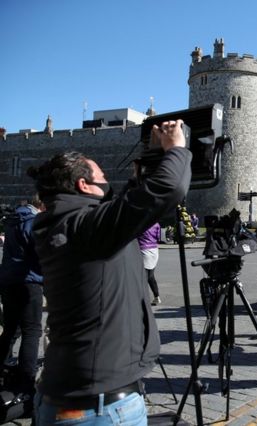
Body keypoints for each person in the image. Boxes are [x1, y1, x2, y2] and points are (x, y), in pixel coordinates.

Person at [28, 119, 191, 425]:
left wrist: (145, 169)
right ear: (83, 185)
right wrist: (177, 150)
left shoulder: (63, 224)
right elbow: (169, 189)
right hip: (100, 408)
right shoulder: (85, 227)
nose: (108, 184)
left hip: (67, 395)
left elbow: (124, 211)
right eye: (102, 177)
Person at [0, 197, 45, 404]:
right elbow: (38, 251)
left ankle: (2, 370)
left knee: (10, 329)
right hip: (29, 281)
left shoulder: (12, 219)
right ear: (40, 205)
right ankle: (26, 381)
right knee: (32, 331)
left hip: (8, 280)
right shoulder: (32, 221)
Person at [137, 222, 162, 306]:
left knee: (143, 278)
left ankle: (143, 300)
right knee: (151, 276)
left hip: (144, 249)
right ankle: (156, 297)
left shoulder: (141, 223)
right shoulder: (156, 224)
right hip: (154, 250)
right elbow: (158, 238)